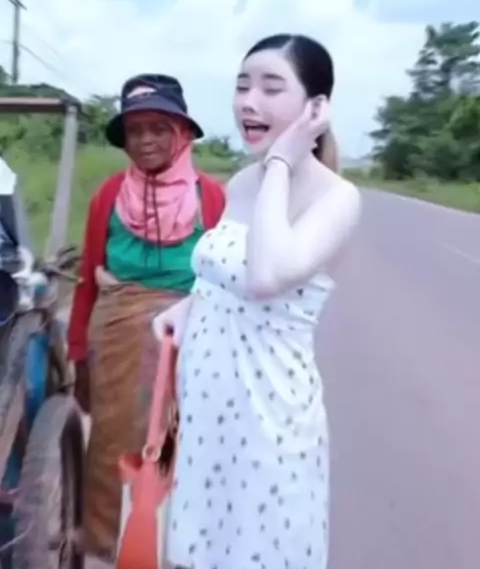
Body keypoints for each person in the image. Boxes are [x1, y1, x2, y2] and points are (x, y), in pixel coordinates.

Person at [153, 34, 361, 569]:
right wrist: (186, 309)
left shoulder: (337, 199)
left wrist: (282, 163)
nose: (249, 101)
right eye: (242, 86)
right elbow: (220, 277)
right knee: (200, 551)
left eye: (271, 88)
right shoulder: (243, 181)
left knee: (259, 552)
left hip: (269, 418)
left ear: (315, 108)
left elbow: (266, 276)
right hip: (206, 410)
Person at [66, 73, 225, 561]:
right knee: (111, 438)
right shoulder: (109, 195)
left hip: (192, 332)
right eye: (135, 131)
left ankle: (176, 545)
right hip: (117, 331)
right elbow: (89, 279)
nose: (146, 140)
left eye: (159, 128)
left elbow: (224, 281)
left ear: (183, 134)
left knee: (186, 440)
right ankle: (103, 545)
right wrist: (77, 351)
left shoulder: (210, 197)